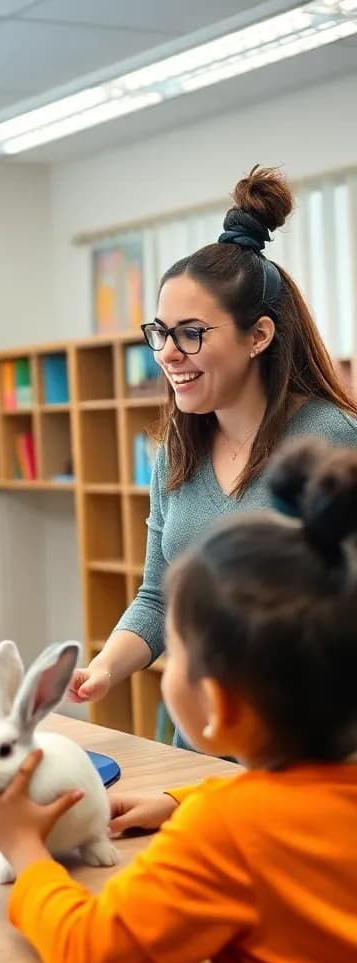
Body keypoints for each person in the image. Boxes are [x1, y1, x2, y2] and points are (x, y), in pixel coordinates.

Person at [0, 436, 357, 963]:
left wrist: (26, 851)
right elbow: (302, 807)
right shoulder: (245, 811)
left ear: (218, 704)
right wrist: (181, 799)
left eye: (173, 654)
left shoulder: (227, 833)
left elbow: (90, 952)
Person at [69, 167, 357, 738]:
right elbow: (158, 597)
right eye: (160, 332)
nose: (169, 354)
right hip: (199, 740)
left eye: (192, 333)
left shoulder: (333, 440)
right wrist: (104, 669)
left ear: (259, 336)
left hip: (300, 750)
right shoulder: (177, 451)